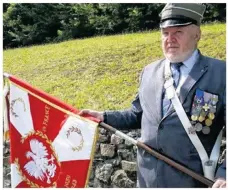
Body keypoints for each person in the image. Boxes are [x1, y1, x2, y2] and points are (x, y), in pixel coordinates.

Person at [80, 3, 226, 188]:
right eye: (165, 33)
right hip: (148, 180)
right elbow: (137, 114)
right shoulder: (149, 72)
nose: (170, 39)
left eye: (178, 32)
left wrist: (224, 174)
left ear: (197, 34)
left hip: (192, 180)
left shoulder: (221, 73)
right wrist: (104, 116)